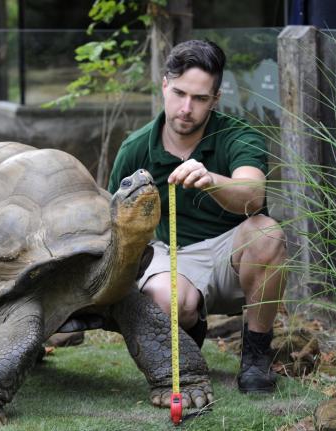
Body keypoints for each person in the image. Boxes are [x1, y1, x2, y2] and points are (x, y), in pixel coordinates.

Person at [107, 39, 287, 394]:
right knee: (165, 299)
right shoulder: (135, 148)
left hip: (232, 254)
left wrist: (211, 181)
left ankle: (255, 358)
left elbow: (252, 196)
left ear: (215, 100)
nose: (186, 108)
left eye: (200, 99)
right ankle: (190, 336)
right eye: (179, 93)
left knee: (268, 233)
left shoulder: (239, 136)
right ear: (164, 85)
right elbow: (111, 221)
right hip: (170, 253)